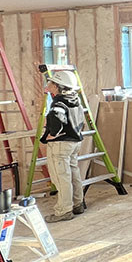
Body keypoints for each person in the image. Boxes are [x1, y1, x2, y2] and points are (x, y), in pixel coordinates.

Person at [41, 70, 86, 223]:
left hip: (61, 144)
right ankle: (78, 203)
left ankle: (64, 210)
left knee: (61, 177)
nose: (49, 85)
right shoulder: (75, 99)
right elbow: (81, 121)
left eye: (51, 83)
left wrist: (52, 134)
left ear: (58, 86)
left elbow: (56, 122)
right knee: (73, 172)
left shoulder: (58, 103)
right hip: (74, 142)